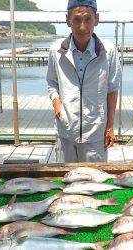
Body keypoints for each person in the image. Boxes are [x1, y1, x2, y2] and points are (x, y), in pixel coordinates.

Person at [47, 0, 121, 163]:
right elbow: (52, 82)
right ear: (68, 20)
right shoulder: (56, 50)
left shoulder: (108, 52)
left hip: (95, 133)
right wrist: (57, 103)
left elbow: (112, 89)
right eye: (76, 20)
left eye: (88, 19)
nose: (82, 27)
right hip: (65, 131)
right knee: (65, 181)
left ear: (97, 18)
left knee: (94, 182)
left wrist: (109, 127)